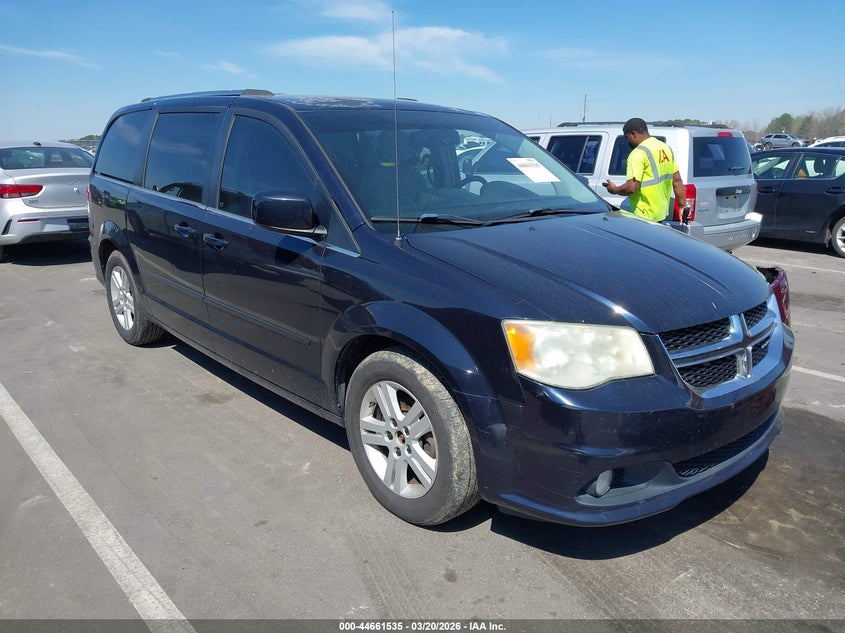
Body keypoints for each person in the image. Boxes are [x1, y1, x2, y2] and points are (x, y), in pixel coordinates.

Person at [604, 118, 688, 223]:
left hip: (643, 215)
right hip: (660, 214)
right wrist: (682, 206)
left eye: (627, 137)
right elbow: (677, 181)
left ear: (633, 134)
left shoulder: (637, 154)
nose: (627, 141)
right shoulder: (665, 148)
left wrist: (614, 190)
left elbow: (631, 188)